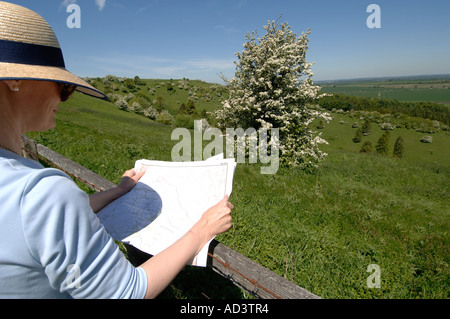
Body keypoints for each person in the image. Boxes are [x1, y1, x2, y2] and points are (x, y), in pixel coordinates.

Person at [0, 1, 233, 299]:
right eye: (62, 85)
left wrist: (119, 190)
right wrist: (201, 229)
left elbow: (40, 220)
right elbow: (130, 292)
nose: (65, 96)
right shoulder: (42, 192)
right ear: (13, 78)